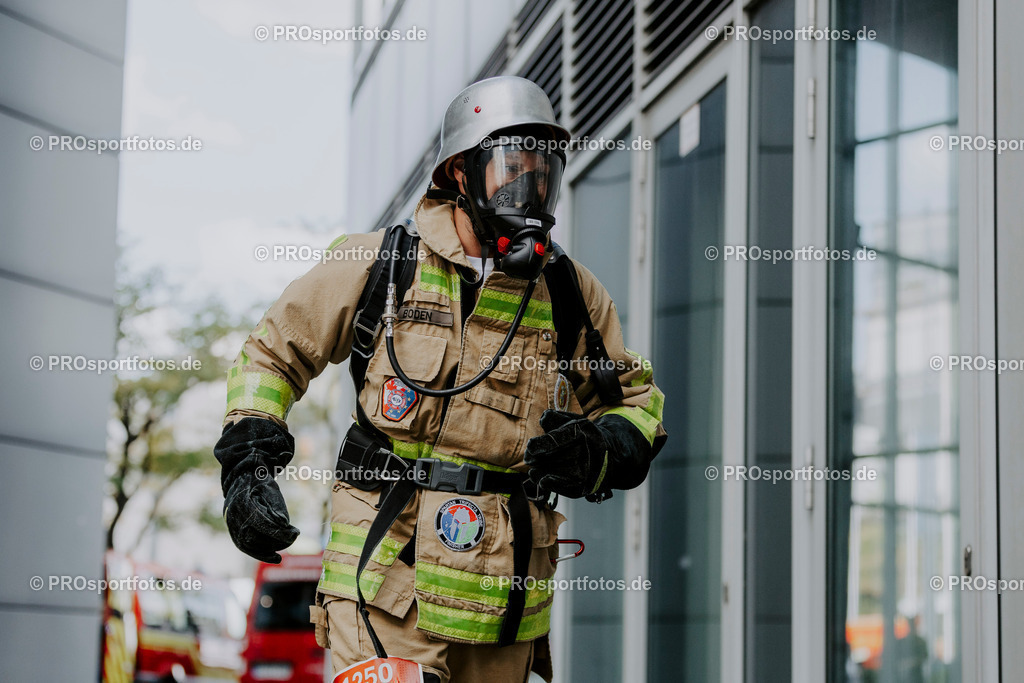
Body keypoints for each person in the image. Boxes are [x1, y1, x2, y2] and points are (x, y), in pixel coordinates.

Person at [214, 75, 666, 683]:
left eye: (543, 168)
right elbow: (271, 353)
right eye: (511, 166)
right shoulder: (379, 263)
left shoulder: (569, 293)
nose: (529, 186)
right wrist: (249, 463)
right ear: (459, 173)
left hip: (505, 605)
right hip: (384, 584)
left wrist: (602, 449)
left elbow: (635, 404)